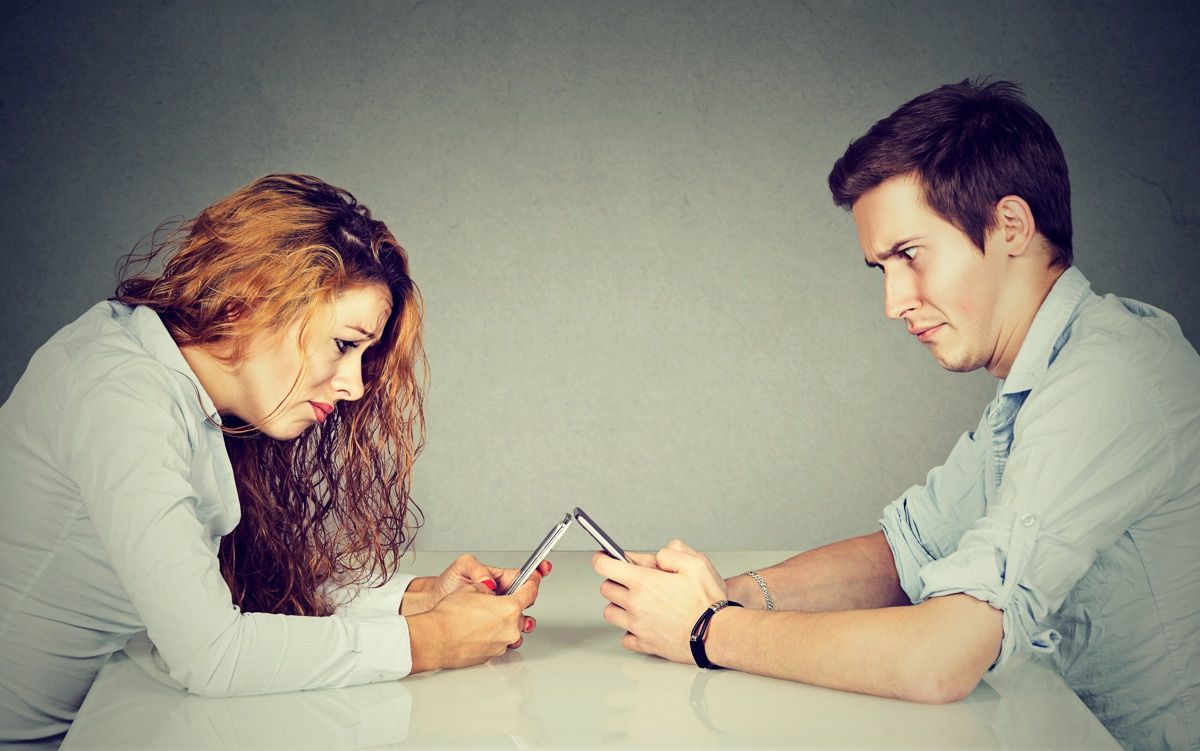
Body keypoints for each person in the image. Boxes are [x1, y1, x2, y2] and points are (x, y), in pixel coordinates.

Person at [592, 80, 1200, 750]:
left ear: (1010, 227)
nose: (893, 302)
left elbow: (940, 658)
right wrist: (718, 592)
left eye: (910, 255)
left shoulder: (1110, 379)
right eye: (880, 268)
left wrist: (708, 630)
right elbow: (904, 553)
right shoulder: (1042, 378)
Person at [0, 174, 548, 748]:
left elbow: (225, 589)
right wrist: (428, 641)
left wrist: (417, 599)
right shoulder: (119, 396)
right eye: (343, 344)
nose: (356, 386)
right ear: (246, 303)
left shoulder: (174, 382)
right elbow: (211, 656)